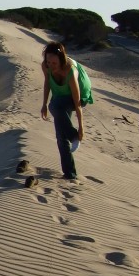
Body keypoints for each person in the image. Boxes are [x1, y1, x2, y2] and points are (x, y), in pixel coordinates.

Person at [42, 42, 94, 179]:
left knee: (54, 106)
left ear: (62, 60)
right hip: (60, 96)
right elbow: (47, 83)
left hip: (79, 95)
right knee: (60, 136)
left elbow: (77, 103)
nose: (51, 66)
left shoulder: (70, 70)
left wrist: (81, 127)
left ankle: (73, 136)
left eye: (54, 63)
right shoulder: (46, 66)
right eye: (48, 62)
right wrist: (43, 104)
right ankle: (70, 173)